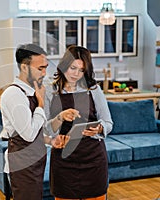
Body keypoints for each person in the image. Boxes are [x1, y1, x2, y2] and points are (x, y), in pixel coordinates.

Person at [0, 43, 70, 200]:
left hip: (35, 162)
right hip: (22, 164)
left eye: (45, 67)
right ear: (24, 67)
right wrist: (41, 104)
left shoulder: (33, 92)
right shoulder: (14, 95)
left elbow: (39, 129)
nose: (44, 73)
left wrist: (51, 140)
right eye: (40, 68)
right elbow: (29, 135)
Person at [44, 45, 113, 200]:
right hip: (64, 160)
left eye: (81, 70)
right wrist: (60, 117)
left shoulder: (93, 89)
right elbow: (45, 129)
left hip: (93, 158)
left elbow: (108, 122)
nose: (76, 74)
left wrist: (99, 128)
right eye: (72, 68)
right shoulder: (50, 90)